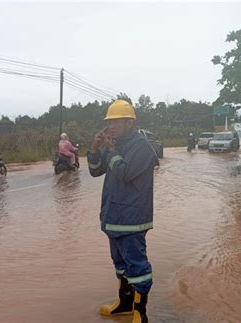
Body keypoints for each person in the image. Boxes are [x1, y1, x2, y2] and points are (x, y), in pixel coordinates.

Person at [87, 99, 158, 323]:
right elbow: (95, 172)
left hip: (132, 218)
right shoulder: (116, 145)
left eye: (116, 121)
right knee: (120, 264)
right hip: (113, 217)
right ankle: (125, 304)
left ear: (129, 121)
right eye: (109, 122)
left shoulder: (141, 146)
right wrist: (96, 148)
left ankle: (140, 312)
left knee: (138, 266)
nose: (111, 126)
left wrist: (111, 149)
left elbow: (125, 172)